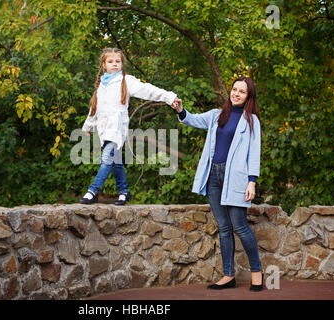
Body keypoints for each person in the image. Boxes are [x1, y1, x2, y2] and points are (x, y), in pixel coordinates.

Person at [171, 76, 264, 291]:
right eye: (234, 89)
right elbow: (191, 119)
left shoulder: (251, 121)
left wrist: (252, 182)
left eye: (242, 91)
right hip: (214, 177)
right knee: (223, 228)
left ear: (248, 96)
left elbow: (254, 152)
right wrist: (180, 109)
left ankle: (257, 271)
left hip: (237, 178)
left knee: (240, 226)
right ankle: (228, 275)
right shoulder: (216, 115)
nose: (236, 93)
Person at [80, 48, 181, 205]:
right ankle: (124, 193)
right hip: (104, 129)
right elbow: (95, 109)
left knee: (107, 159)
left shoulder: (126, 81)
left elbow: (149, 90)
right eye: (110, 61)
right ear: (103, 64)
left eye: (118, 61)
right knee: (116, 162)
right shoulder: (102, 85)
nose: (114, 64)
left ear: (122, 64)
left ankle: (92, 191)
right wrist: (89, 126)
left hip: (116, 129)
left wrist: (169, 97)